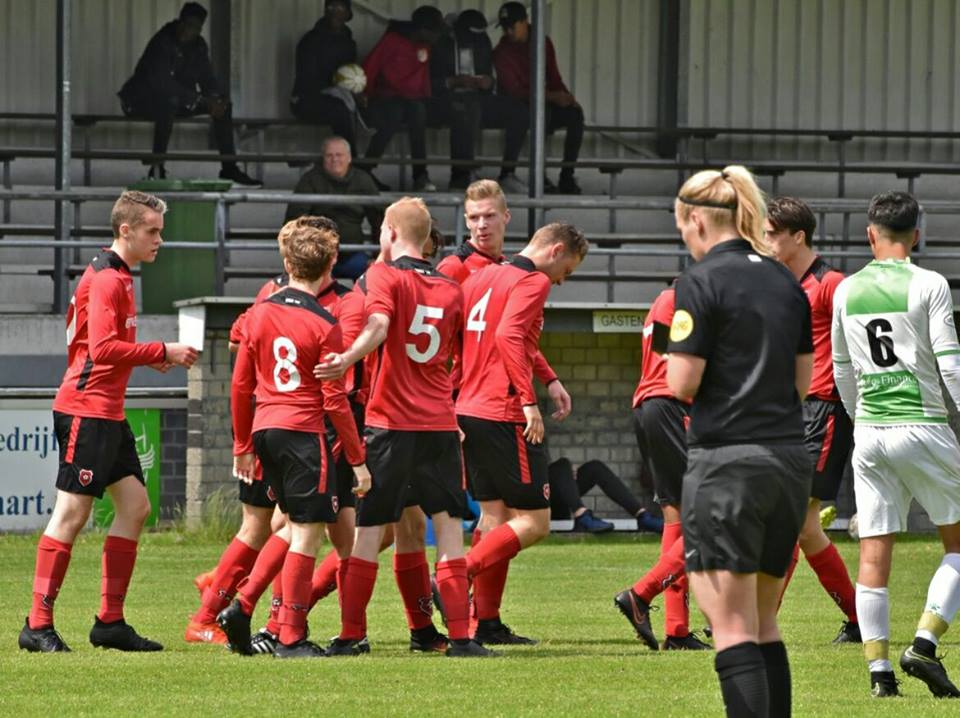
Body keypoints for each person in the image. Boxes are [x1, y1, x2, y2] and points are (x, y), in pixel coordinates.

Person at [18, 191, 199, 653]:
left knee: (135, 506)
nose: (159, 240)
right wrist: (162, 351)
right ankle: (37, 625)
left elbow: (106, 349)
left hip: (106, 411)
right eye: (152, 231)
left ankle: (110, 623)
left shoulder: (117, 274)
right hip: (86, 410)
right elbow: (100, 351)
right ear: (126, 230)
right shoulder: (108, 280)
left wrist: (147, 359)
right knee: (71, 514)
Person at [667, 165, 814, 717]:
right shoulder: (784, 279)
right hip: (787, 462)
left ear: (697, 219)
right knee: (763, 622)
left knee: (729, 629)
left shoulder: (698, 282)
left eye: (682, 225)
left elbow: (681, 383)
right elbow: (802, 384)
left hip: (728, 464)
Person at [315, 197, 491, 658]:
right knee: (449, 530)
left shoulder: (383, 276)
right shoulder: (452, 288)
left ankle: (352, 635)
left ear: (391, 231)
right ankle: (461, 638)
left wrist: (347, 358)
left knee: (369, 531)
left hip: (390, 424)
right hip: (438, 424)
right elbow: (458, 357)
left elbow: (377, 324)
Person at [218, 218, 369, 658]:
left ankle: (246, 610)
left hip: (266, 430)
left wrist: (242, 444)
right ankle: (290, 637)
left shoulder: (259, 312)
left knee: (286, 524)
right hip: (305, 432)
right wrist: (357, 458)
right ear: (328, 269)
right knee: (307, 533)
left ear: (286, 263)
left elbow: (240, 385)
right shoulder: (326, 323)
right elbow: (336, 400)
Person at [832, 191, 960, 699]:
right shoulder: (929, 283)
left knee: (874, 552)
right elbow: (949, 362)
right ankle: (924, 644)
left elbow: (841, 368)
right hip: (922, 424)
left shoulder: (845, 289)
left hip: (870, 432)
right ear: (917, 235)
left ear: (870, 234)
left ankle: (879, 675)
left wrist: (859, 417)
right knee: (956, 543)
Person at [456, 223, 588, 645]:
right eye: (566, 269)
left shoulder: (482, 276)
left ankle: (485, 623)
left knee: (493, 518)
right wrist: (529, 401)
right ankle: (452, 578)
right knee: (535, 521)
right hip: (504, 410)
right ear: (556, 250)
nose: (562, 280)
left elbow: (512, 336)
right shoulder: (531, 280)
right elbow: (509, 335)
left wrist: (549, 378)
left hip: (469, 407)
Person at [763, 197, 860, 644]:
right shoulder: (785, 284)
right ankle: (860, 619)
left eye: (772, 233)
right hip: (794, 413)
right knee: (803, 526)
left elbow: (858, 346)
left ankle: (759, 618)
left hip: (825, 411)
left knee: (791, 519)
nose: (766, 242)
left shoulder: (832, 283)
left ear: (797, 236)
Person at [614, 282, 711, 652]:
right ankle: (641, 594)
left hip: (652, 406)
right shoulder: (692, 300)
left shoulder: (664, 299)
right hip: (672, 407)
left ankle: (677, 629)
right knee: (712, 517)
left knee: (678, 519)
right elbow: (687, 363)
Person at [118, 2, 258, 185]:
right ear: (180, 22)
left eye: (196, 27)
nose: (189, 31)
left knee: (224, 106)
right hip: (139, 100)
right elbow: (162, 84)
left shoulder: (198, 46)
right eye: (187, 25)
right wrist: (199, 99)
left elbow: (207, 78)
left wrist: (216, 99)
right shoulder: (162, 41)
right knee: (168, 102)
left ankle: (229, 168)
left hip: (177, 100)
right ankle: (157, 168)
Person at [362, 6, 472, 192]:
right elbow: (368, 70)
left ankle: (449, 176)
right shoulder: (391, 42)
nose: (438, 37)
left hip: (417, 101)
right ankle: (365, 170)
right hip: (387, 99)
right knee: (400, 113)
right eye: (434, 32)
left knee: (457, 110)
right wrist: (362, 96)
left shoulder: (428, 45)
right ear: (422, 30)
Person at [430, 9, 528, 192]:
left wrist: (487, 82)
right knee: (465, 108)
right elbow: (429, 83)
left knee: (519, 111)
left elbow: (491, 77)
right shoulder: (443, 44)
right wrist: (454, 81)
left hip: (479, 98)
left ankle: (508, 173)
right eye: (471, 34)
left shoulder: (482, 42)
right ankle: (460, 176)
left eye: (479, 35)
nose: (475, 38)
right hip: (446, 101)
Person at [493, 1, 583, 195]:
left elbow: (553, 76)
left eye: (512, 26)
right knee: (540, 114)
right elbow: (514, 91)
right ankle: (538, 177)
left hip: (544, 100)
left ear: (524, 22)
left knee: (575, 115)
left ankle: (567, 176)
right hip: (520, 104)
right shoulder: (502, 51)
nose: (508, 32)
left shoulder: (542, 42)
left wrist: (565, 96)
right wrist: (552, 96)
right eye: (505, 28)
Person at [285, 137, 384, 280]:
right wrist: (304, 256)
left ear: (349, 158)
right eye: (329, 155)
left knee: (376, 277)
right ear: (323, 158)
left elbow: (380, 220)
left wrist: (378, 257)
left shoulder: (363, 180)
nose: (334, 159)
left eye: (339, 155)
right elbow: (294, 221)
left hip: (354, 256)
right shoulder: (310, 180)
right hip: (318, 258)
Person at [290, 0, 361, 153]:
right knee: (340, 110)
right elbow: (307, 80)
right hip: (306, 100)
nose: (334, 11)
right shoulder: (310, 41)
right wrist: (334, 89)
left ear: (348, 14)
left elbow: (350, 75)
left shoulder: (349, 43)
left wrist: (356, 92)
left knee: (365, 109)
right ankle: (351, 163)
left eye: (340, 7)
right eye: (330, 7)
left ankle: (366, 167)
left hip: (338, 96)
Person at [548, 458, 664, 534]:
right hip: (539, 500)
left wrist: (567, 472)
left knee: (595, 467)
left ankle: (642, 516)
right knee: (562, 465)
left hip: (554, 494)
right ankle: (582, 517)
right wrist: (563, 469)